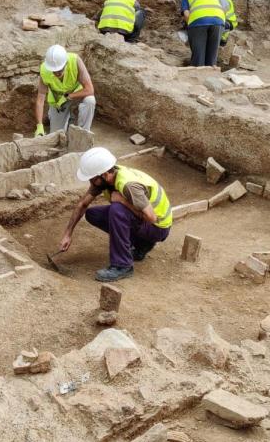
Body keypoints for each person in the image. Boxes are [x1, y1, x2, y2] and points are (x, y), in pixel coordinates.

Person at [58, 147, 173, 282]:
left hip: (158, 227)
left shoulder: (129, 186)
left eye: (92, 179)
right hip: (145, 222)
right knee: (93, 214)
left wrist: (123, 201)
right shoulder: (105, 179)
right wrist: (68, 234)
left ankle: (122, 266)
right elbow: (83, 204)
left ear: (105, 174)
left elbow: (151, 218)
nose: (91, 183)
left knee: (117, 210)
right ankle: (142, 245)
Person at [34, 44, 95, 136]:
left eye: (60, 70)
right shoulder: (44, 70)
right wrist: (39, 125)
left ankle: (83, 134)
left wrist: (69, 96)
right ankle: (68, 120)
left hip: (77, 95)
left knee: (90, 100)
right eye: (54, 71)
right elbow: (40, 98)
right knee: (56, 135)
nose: (57, 73)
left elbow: (90, 89)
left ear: (65, 63)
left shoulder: (75, 61)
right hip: (58, 103)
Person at [180, 0, 225, 67]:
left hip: (198, 22)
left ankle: (198, 71)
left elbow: (186, 14)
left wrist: (190, 27)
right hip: (219, 21)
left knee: (198, 56)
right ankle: (211, 72)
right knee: (212, 56)